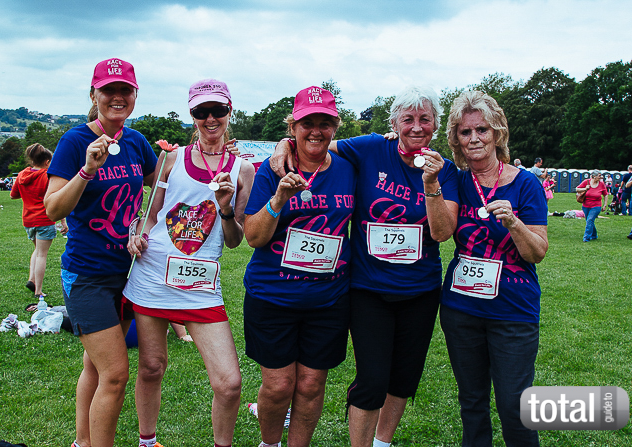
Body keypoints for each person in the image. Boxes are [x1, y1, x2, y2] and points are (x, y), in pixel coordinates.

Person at [269, 85, 460, 447]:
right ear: (394, 123)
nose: (416, 127)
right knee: (372, 379)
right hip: (369, 288)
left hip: (419, 290)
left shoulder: (444, 171)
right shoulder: (371, 147)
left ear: (435, 125)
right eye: (408, 119)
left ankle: (382, 442)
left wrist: (431, 184)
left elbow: (442, 232)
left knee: (404, 379)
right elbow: (316, 143)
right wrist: (284, 144)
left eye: (424, 119)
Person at [124, 79, 255, 447]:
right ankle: (147, 442)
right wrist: (138, 232)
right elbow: (151, 216)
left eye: (218, 111)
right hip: (152, 276)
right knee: (151, 367)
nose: (210, 119)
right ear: (192, 115)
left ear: (230, 111)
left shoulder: (243, 170)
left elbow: (233, 241)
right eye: (201, 112)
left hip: (200, 286)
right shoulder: (170, 158)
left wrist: (227, 209)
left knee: (229, 384)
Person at [44, 58, 158, 447]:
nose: (117, 97)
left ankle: (81, 442)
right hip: (87, 275)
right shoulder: (76, 142)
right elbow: (53, 208)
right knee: (115, 373)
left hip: (127, 274)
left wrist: (141, 222)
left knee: (93, 367)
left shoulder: (137, 142)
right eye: (109, 90)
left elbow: (159, 187)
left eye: (125, 90)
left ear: (135, 95)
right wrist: (88, 169)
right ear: (93, 94)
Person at [431, 91, 548, 447]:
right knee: (472, 402)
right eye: (465, 133)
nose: (474, 139)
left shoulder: (525, 183)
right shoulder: (456, 180)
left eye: (481, 129)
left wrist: (514, 223)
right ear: (456, 139)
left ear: (497, 132)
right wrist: (392, 136)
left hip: (513, 310)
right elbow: (408, 155)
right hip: (461, 308)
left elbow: (537, 252)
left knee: (515, 404)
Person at [244, 86, 356, 447]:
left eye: (325, 122)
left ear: (335, 127)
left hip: (328, 299)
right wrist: (278, 199)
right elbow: (254, 237)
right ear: (293, 126)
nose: (316, 131)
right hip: (273, 296)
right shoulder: (271, 171)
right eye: (308, 122)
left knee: (311, 384)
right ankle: (270, 444)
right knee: (278, 386)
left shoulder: (349, 168)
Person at [10, 143, 68, 302]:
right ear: (47, 162)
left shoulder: (22, 174)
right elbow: (55, 198)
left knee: (37, 250)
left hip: (28, 220)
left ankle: (32, 280)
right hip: (44, 218)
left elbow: (13, 195)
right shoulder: (47, 176)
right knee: (42, 254)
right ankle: (38, 290)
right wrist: (63, 221)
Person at [575, 171, 608, 242]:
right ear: (594, 176)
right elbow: (577, 189)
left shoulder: (601, 184)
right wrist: (585, 189)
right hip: (585, 206)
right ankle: (594, 235)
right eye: (599, 175)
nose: (600, 177)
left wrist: (605, 205)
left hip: (596, 206)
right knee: (589, 221)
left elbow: (605, 194)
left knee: (590, 220)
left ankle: (586, 238)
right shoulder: (586, 182)